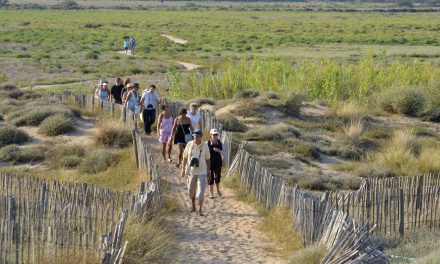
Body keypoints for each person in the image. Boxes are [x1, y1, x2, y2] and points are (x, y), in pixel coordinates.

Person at [181, 129, 211, 216]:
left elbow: (208, 159)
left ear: (201, 136)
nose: (195, 137)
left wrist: (209, 171)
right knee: (191, 190)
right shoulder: (189, 144)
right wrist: (183, 168)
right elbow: (185, 157)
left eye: (197, 136)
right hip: (191, 171)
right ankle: (193, 206)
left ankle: (200, 209)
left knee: (201, 191)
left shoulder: (205, 146)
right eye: (194, 136)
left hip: (202, 171)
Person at [207, 129, 223, 198]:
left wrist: (218, 150)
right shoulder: (206, 143)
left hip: (218, 161)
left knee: (217, 176)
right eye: (214, 134)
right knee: (210, 177)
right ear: (210, 135)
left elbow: (224, 152)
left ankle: (217, 189)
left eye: (216, 134)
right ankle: (211, 193)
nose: (215, 136)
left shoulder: (219, 142)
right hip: (209, 162)